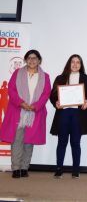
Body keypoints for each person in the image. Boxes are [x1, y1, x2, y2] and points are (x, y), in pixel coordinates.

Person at [0, 49, 51, 178]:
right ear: (25, 60)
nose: (32, 60)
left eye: (35, 58)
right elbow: (11, 91)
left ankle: (24, 167)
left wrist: (35, 106)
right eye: (29, 58)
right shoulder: (18, 73)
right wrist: (21, 103)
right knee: (17, 140)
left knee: (29, 141)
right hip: (18, 111)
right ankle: (16, 168)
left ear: (39, 60)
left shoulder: (45, 76)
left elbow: (46, 94)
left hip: (35, 113)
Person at [49, 54, 87, 179]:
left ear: (81, 65)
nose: (75, 64)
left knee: (76, 142)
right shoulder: (60, 78)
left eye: (78, 62)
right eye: (73, 62)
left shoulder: (86, 78)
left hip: (78, 114)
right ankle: (59, 168)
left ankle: (75, 170)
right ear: (69, 64)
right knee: (61, 141)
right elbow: (53, 95)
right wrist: (56, 102)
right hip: (63, 113)